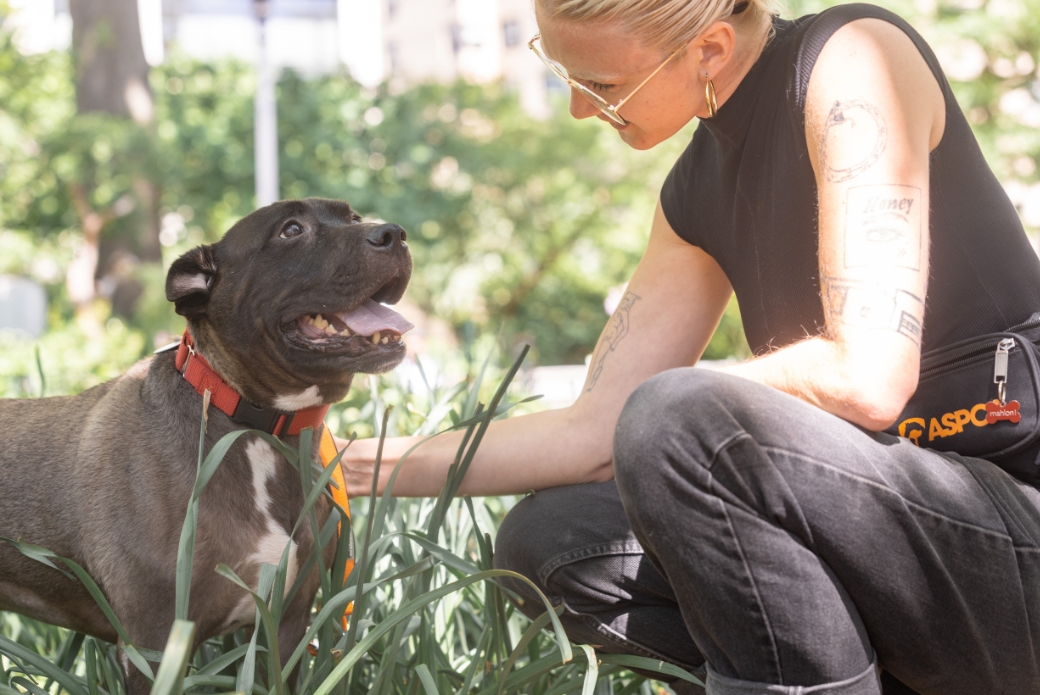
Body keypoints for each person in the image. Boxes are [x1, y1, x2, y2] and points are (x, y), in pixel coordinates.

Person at [340, 0, 1040, 693]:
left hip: (1014, 535)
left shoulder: (853, 59)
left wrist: (684, 411)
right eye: (565, 76)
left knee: (677, 417)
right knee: (552, 541)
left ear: (709, 49)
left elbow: (868, 375)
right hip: (898, 552)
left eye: (601, 85)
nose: (580, 110)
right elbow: (593, 431)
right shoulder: (694, 194)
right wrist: (345, 469)